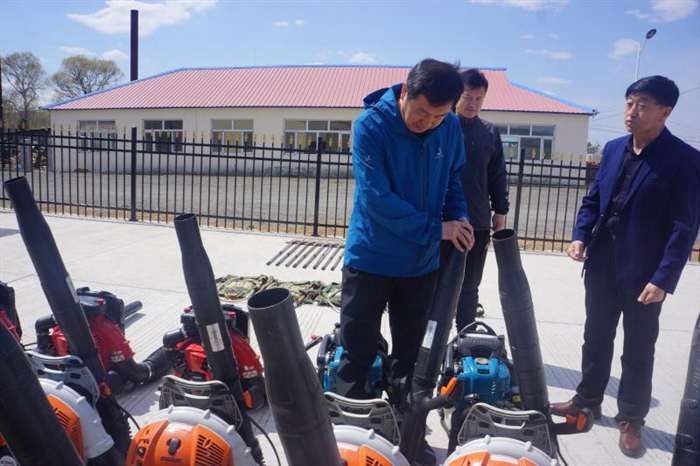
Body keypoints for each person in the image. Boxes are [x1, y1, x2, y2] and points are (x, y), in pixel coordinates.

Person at [551, 75, 700, 458]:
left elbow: (684, 227)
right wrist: (580, 236)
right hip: (601, 265)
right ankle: (587, 400)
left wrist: (663, 278)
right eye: (629, 102)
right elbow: (593, 199)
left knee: (638, 348)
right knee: (595, 337)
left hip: (644, 275)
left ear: (665, 111)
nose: (632, 112)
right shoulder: (614, 148)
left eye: (643, 105)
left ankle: (632, 419)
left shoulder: (685, 160)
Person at [336, 58, 474, 465]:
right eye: (421, 112)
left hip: (419, 266)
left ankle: (407, 438)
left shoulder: (449, 127)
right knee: (358, 353)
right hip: (371, 258)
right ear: (404, 93)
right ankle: (351, 440)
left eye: (438, 116)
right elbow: (376, 199)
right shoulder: (370, 126)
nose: (427, 123)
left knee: (413, 361)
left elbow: (453, 180)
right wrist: (438, 228)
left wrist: (459, 218)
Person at [453, 68, 509, 332]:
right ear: (457, 96)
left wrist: (500, 211)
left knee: (470, 285)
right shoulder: (442, 126)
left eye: (479, 99)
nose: (473, 104)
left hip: (477, 222)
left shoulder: (489, 132)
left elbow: (498, 174)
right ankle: (430, 341)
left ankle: (465, 335)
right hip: (444, 223)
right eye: (467, 97)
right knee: (436, 283)